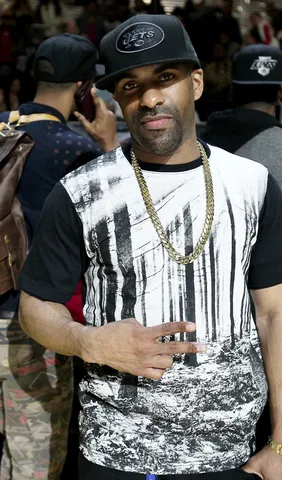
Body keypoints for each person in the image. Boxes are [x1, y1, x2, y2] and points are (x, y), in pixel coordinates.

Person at [19, 14, 282, 480]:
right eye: (130, 85)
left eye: (165, 79)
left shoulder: (253, 184)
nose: (149, 97)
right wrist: (87, 340)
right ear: (117, 98)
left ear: (195, 83)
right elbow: (35, 306)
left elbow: (276, 314)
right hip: (116, 454)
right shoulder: (80, 191)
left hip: (230, 456)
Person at [0, 33, 114, 479]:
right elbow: (112, 229)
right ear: (84, 88)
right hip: (30, 324)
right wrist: (107, 147)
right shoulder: (74, 150)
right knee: (34, 463)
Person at [200, 44, 282, 289]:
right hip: (272, 308)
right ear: (279, 94)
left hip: (199, 297)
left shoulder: (192, 146)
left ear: (233, 89)